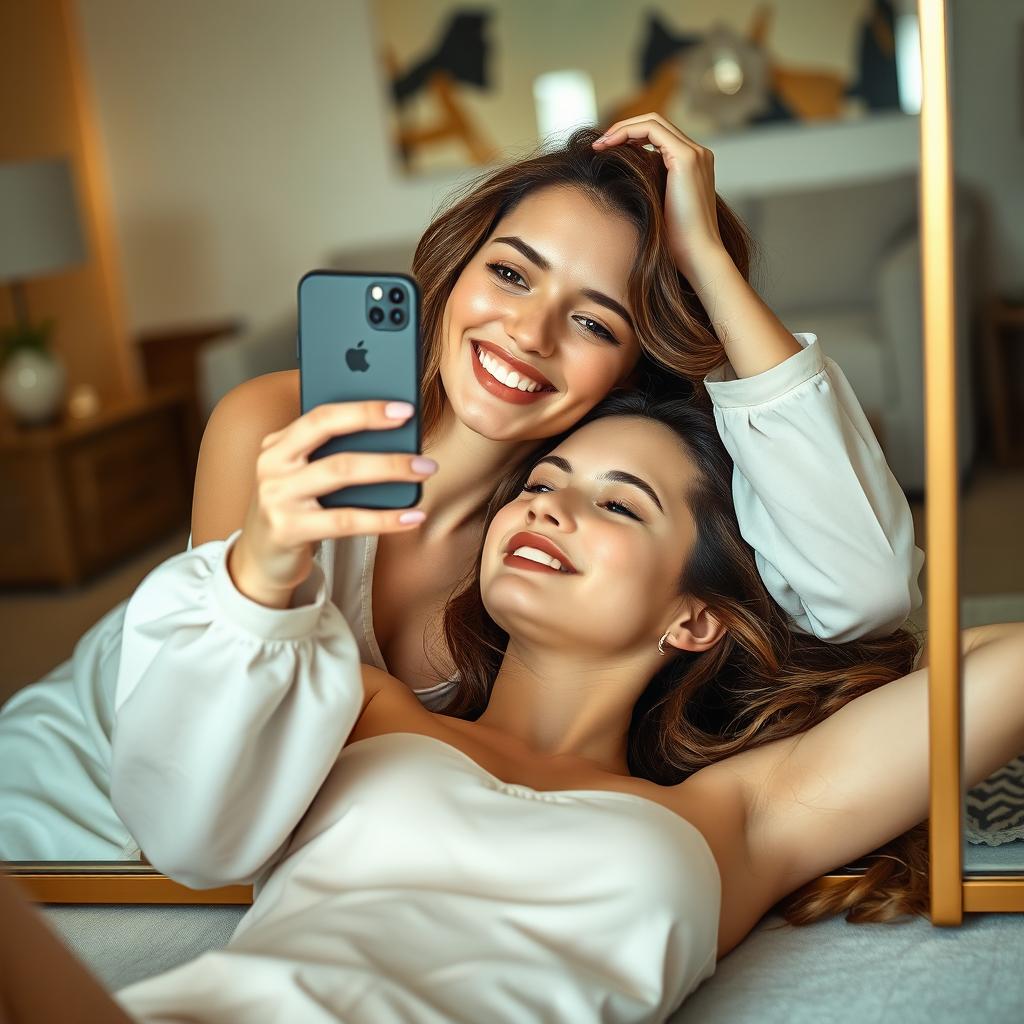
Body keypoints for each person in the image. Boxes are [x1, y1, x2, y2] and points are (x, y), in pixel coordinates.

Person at [0, 114, 922, 862]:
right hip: (74, 781)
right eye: (511, 272)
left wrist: (710, 268)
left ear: (631, 369)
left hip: (207, 842)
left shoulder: (559, 532)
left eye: (593, 321)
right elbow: (218, 732)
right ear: (455, 271)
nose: (527, 331)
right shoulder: (274, 430)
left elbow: (869, 590)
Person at [1, 393, 1018, 1024]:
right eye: (542, 481)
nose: (544, 506)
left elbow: (1001, 662)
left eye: (620, 504)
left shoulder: (740, 816)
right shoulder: (360, 705)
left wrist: (835, 655)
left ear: (695, 621)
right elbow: (179, 779)